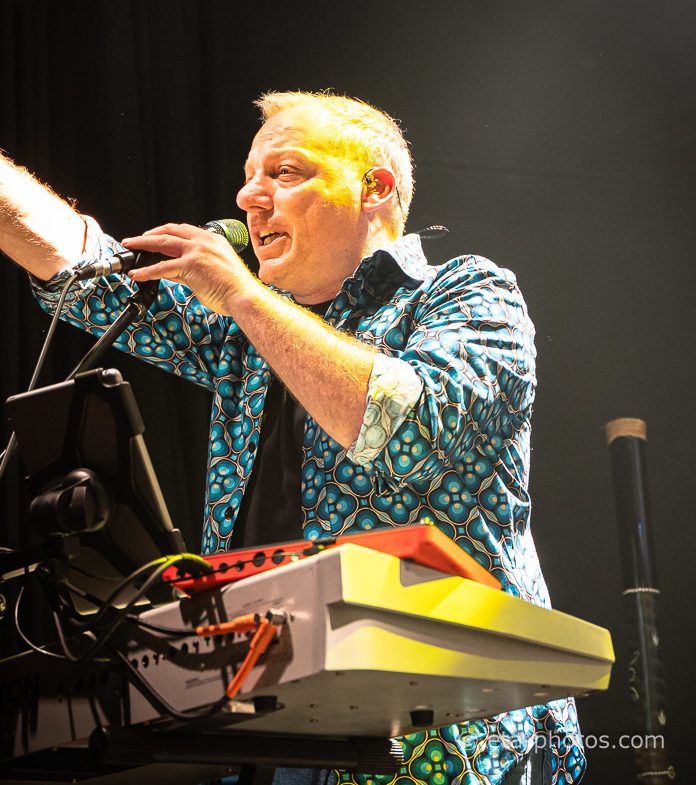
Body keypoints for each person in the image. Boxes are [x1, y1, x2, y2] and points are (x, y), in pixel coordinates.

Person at [0, 91, 584, 784]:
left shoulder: (467, 293)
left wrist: (244, 296)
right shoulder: (244, 332)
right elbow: (79, 264)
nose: (249, 197)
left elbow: (409, 428)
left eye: (285, 172)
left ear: (375, 188)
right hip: (266, 720)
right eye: (248, 177)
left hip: (447, 733)